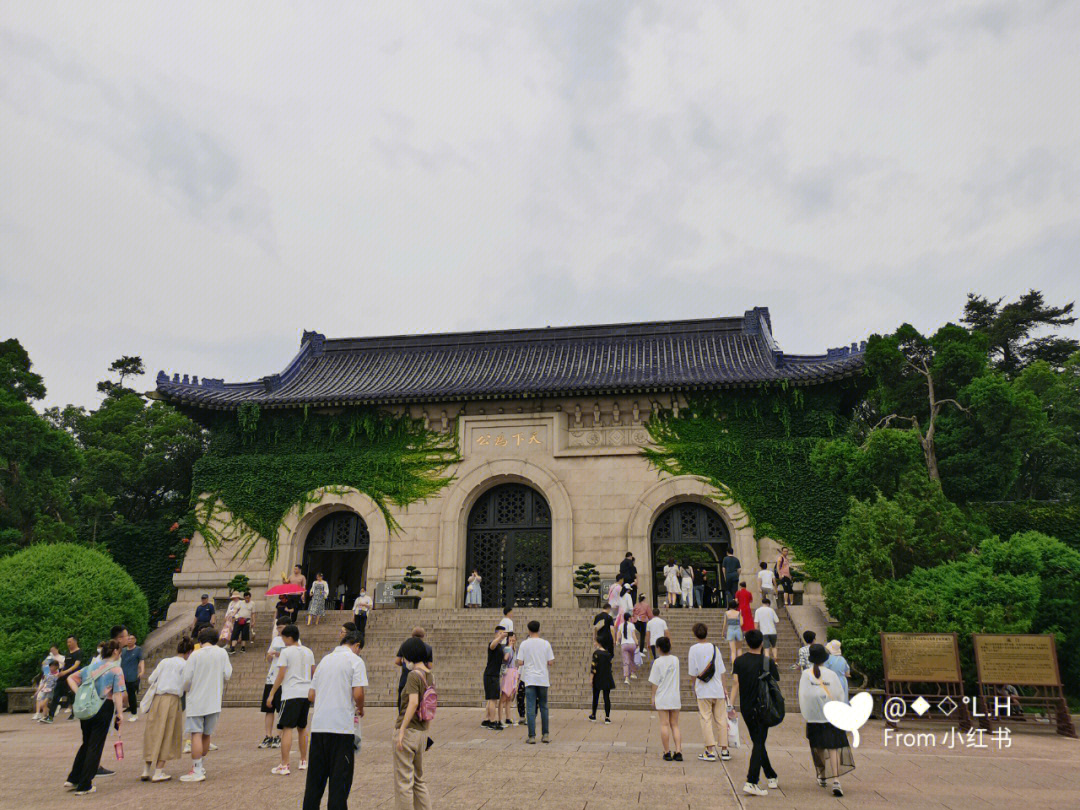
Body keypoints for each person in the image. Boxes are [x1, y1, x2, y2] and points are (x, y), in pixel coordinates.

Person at [302, 631, 367, 810]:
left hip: (319, 726)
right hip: (341, 728)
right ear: (357, 645)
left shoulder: (325, 660)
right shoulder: (355, 661)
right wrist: (360, 708)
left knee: (315, 781)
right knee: (340, 781)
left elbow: (311, 695)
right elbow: (358, 693)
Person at [63, 639, 126, 795]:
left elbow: (70, 678)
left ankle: (73, 778)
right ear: (116, 651)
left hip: (86, 707)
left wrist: (79, 694)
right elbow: (118, 693)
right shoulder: (116, 670)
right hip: (103, 706)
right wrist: (120, 713)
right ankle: (85, 784)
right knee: (95, 745)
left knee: (86, 743)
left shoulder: (90, 666)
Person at [729, 629, 781, 797]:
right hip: (763, 707)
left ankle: (771, 775)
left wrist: (731, 704)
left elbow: (736, 683)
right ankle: (751, 781)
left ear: (746, 641)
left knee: (758, 741)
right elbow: (775, 682)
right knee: (759, 741)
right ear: (761, 643)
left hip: (746, 707)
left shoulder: (739, 661)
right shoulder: (767, 662)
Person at [799, 644, 854, 797]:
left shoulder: (806, 674)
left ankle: (822, 776)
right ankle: (836, 780)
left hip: (814, 717)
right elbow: (839, 695)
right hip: (832, 715)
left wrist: (808, 714)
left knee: (818, 747)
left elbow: (803, 696)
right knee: (834, 747)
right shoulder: (831, 675)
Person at [180, 626, 233, 782]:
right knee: (206, 734)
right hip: (214, 699)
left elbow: (187, 679)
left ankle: (196, 770)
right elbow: (227, 674)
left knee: (196, 733)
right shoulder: (222, 653)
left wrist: (187, 690)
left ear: (200, 640)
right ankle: (200, 765)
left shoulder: (195, 655)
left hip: (197, 699)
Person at [141, 637, 194, 782]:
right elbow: (187, 685)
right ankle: (158, 771)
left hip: (157, 699)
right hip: (172, 700)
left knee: (153, 732)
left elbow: (151, 679)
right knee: (167, 733)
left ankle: (146, 770)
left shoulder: (164, 661)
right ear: (189, 652)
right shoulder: (185, 665)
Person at [268, 624, 315, 775]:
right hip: (305, 692)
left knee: (287, 728)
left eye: (283, 637)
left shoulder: (286, 652)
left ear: (288, 637)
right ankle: (303, 760)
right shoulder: (308, 651)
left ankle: (285, 764)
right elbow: (313, 672)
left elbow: (281, 674)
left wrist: (272, 693)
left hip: (291, 693)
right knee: (302, 727)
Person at [394, 636, 434, 810]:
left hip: (409, 731)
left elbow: (414, 702)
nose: (403, 660)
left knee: (403, 782)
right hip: (421, 732)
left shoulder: (413, 675)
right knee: (419, 780)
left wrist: (401, 730)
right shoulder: (429, 675)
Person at [688, 622, 731, 762]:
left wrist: (693, 685)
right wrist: (724, 688)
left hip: (703, 690)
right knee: (721, 719)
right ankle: (725, 750)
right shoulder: (715, 648)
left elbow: (693, 672)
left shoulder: (693, 649)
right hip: (717, 689)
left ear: (695, 634)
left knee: (705, 719)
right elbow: (722, 671)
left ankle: (710, 750)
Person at [515, 620, 554, 744]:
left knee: (530, 707)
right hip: (542, 678)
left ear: (529, 630)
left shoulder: (524, 644)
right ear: (539, 629)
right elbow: (550, 662)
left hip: (530, 678)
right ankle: (545, 734)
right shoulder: (546, 643)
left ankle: (531, 736)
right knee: (544, 706)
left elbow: (520, 662)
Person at [649, 636, 682, 761]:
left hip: (662, 696)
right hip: (674, 696)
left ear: (658, 648)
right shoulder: (675, 660)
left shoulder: (657, 662)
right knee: (675, 724)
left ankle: (667, 751)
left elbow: (655, 683)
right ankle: (678, 751)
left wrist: (653, 697)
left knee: (664, 724)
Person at [260, 615, 290, 749]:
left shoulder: (293, 640)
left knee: (281, 709)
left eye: (281, 628)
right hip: (271, 678)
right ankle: (268, 736)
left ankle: (279, 736)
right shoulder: (276, 640)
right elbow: (268, 658)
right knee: (269, 708)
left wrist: (282, 653)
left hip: (284, 680)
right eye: (278, 628)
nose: (279, 631)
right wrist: (270, 655)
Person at [48, 635, 84, 722]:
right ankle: (50, 716)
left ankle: (74, 713)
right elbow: (65, 664)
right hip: (63, 677)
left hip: (72, 678)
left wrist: (66, 672)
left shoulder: (79, 652)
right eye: (67, 642)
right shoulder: (68, 653)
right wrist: (61, 672)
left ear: (75, 641)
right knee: (56, 694)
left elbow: (76, 665)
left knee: (72, 695)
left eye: (70, 642)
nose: (68, 644)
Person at [395, 627, 432, 705]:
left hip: (405, 677)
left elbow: (397, 661)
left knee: (403, 701)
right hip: (421, 677)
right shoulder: (428, 647)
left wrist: (405, 664)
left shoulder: (405, 645)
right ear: (423, 636)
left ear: (412, 635)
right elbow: (430, 666)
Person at [483, 626, 509, 729]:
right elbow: (492, 645)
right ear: (496, 633)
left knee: (492, 699)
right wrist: (500, 637)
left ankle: (487, 719)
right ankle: (492, 721)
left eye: (503, 634)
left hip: (494, 674)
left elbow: (504, 660)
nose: (501, 636)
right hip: (490, 675)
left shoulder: (500, 647)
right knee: (493, 699)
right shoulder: (493, 644)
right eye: (500, 633)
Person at [589, 631, 615, 723]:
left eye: (595, 642)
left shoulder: (596, 653)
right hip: (607, 677)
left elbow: (593, 667)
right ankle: (607, 717)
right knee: (606, 697)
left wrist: (591, 678)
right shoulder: (608, 654)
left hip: (598, 677)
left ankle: (593, 715)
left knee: (595, 696)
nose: (594, 643)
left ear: (599, 642)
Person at [121, 632, 145, 721]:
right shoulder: (123, 651)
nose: (129, 640)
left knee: (131, 695)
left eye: (131, 639)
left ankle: (134, 714)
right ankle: (124, 710)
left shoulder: (138, 650)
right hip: (122, 676)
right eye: (128, 639)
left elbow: (141, 660)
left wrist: (142, 671)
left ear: (135, 640)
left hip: (132, 676)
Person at [499, 632, 519, 727]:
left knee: (510, 697)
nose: (513, 639)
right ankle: (500, 719)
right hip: (508, 673)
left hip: (513, 672)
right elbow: (506, 658)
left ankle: (508, 718)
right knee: (504, 696)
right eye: (511, 637)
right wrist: (510, 646)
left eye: (514, 637)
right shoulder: (507, 648)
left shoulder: (515, 649)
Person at [617, 612, 639, 684]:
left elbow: (619, 636)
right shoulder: (632, 625)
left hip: (624, 644)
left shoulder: (620, 625)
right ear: (629, 618)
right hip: (632, 644)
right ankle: (633, 673)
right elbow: (633, 635)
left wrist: (618, 641)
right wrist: (637, 643)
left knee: (626, 661)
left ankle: (626, 678)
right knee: (632, 659)